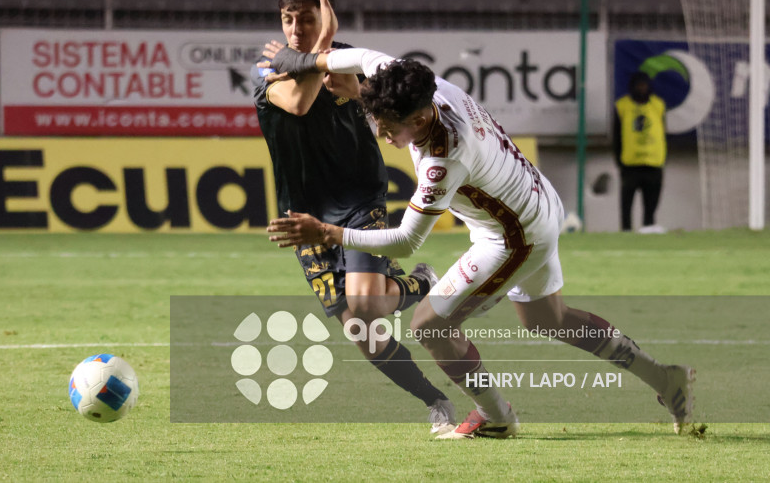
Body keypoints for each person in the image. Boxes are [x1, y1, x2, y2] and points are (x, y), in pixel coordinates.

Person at [262, 38, 696, 439]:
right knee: (550, 320)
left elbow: (407, 242)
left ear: (417, 118)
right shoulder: (408, 81)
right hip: (537, 200)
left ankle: (496, 417)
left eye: (389, 127)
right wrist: (301, 61)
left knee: (429, 324)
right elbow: (355, 57)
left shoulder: (444, 156)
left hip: (514, 237)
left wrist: (328, 233)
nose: (382, 134)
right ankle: (665, 378)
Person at [250, 0, 455, 434]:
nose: (297, 30)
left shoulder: (356, 63)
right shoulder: (266, 69)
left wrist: (350, 78)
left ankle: (416, 288)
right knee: (364, 335)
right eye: (289, 20)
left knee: (368, 306)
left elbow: (394, 113)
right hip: (304, 212)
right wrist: (321, 45)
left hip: (360, 196)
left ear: (325, 15)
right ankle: (435, 397)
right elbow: (299, 102)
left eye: (308, 19)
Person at [614, 71, 667, 233]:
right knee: (626, 207)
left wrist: (663, 158)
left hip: (653, 164)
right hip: (630, 165)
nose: (642, 89)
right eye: (639, 85)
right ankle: (626, 232)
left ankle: (648, 232)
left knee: (651, 206)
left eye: (644, 85)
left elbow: (664, 133)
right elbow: (617, 136)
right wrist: (618, 161)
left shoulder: (658, 105)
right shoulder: (622, 106)